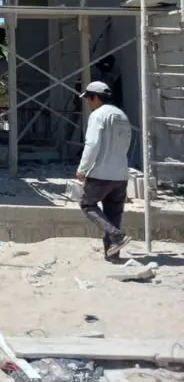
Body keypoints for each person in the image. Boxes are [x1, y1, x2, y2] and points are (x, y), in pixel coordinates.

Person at [76, 80, 132, 260]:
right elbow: (127, 143)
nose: (88, 103)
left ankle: (116, 236)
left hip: (100, 173)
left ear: (95, 98)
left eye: (89, 99)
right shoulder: (122, 116)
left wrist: (83, 169)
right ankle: (113, 253)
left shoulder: (98, 115)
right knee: (113, 213)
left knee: (87, 205)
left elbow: (92, 144)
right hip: (121, 174)